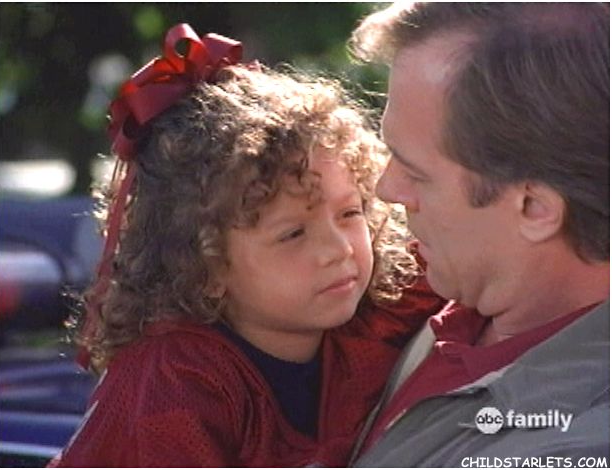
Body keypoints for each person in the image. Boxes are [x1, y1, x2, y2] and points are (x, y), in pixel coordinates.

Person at [50, 24, 446, 467]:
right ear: (205, 265)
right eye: (293, 234)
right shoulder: (175, 381)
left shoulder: (372, 313)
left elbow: (478, 262)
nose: (339, 249)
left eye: (350, 213)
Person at [347, 2, 610, 467]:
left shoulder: (573, 449)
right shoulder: (427, 292)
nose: (386, 189)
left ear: (534, 208)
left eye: (416, 173)